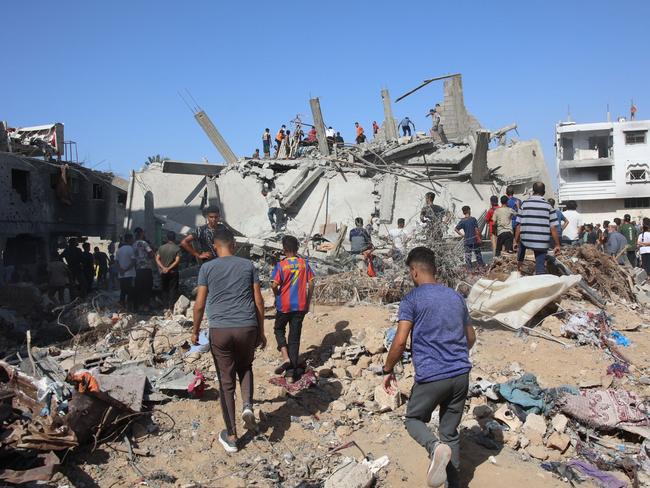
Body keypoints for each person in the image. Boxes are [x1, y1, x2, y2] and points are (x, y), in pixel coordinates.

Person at [381, 247, 475, 488]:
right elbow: (471, 338)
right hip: (461, 374)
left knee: (413, 418)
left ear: (414, 272)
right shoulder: (455, 297)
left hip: (432, 376)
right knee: (450, 432)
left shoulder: (412, 299)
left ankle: (434, 449)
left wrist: (387, 368)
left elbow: (400, 340)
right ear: (434, 269)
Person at [191, 228, 266, 454]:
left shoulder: (207, 268)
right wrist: (260, 331)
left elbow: (199, 305)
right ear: (233, 244)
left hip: (221, 330)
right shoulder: (247, 266)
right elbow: (259, 301)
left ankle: (232, 436)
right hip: (247, 327)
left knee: (225, 381)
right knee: (246, 367)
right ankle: (247, 406)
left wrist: (195, 331)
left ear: (215, 247)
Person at [271, 235, 314, 380]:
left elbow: (274, 284)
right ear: (297, 248)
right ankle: (292, 372)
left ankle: (285, 357)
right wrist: (307, 301)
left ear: (284, 249)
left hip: (284, 305)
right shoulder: (304, 263)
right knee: (294, 337)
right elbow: (312, 283)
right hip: (301, 305)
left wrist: (277, 294)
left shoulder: (281, 265)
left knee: (278, 329)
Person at [515, 182, 560, 275]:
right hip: (541, 242)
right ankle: (540, 274)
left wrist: (515, 241)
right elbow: (553, 227)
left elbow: (518, 225)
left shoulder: (524, 204)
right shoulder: (548, 206)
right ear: (543, 192)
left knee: (521, 246)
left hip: (526, 239)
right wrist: (557, 244)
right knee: (540, 264)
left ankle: (519, 269)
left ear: (533, 191)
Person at [156, 231, 181, 309]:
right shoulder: (177, 248)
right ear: (175, 238)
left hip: (163, 272)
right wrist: (169, 268)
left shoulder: (161, 247)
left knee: (164, 289)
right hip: (173, 272)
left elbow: (157, 259)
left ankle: (165, 307)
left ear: (167, 238)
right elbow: (177, 261)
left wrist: (163, 268)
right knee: (173, 290)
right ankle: (171, 307)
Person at [133, 228, 154, 312]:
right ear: (141, 233)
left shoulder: (133, 244)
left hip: (138, 270)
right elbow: (151, 254)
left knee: (139, 288)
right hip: (146, 268)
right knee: (147, 288)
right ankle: (146, 307)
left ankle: (139, 306)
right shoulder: (144, 243)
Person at [116, 234, 136, 309]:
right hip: (130, 274)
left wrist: (120, 270)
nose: (133, 241)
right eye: (132, 239)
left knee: (123, 291)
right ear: (130, 240)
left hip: (121, 275)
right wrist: (126, 269)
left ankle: (122, 306)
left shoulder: (119, 250)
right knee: (131, 290)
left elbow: (116, 262)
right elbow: (133, 261)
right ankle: (130, 306)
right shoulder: (131, 249)